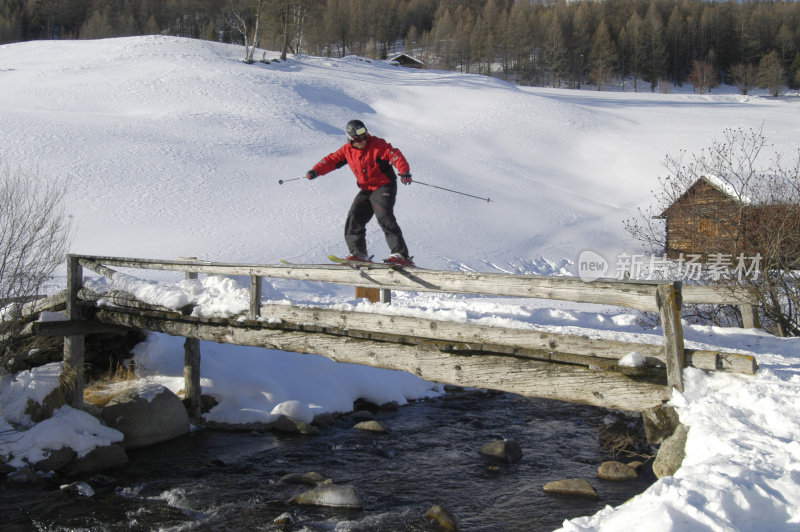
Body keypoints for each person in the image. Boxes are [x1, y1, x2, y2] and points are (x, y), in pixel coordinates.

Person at [305, 119, 415, 266]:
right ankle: (358, 253)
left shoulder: (377, 145)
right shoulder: (347, 151)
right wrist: (315, 171)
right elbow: (331, 160)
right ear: (350, 139)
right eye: (358, 139)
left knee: (383, 215)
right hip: (366, 189)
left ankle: (401, 254)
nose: (363, 141)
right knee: (354, 216)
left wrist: (404, 171)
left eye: (364, 136)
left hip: (384, 186)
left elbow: (395, 155)